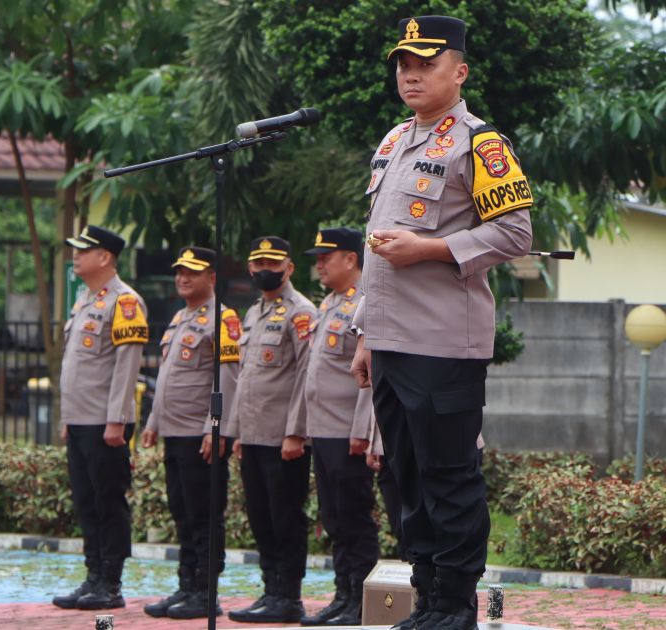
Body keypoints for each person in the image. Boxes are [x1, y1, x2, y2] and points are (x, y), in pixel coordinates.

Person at [353, 15, 534, 630]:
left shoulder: (479, 144)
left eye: (425, 64)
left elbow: (515, 233)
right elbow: (375, 247)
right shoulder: (392, 140)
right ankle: (426, 597)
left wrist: (429, 249)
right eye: (404, 64)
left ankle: (455, 605)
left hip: (442, 343)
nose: (411, 74)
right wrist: (362, 333)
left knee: (449, 476)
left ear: (458, 72)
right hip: (389, 339)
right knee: (405, 476)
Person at [140, 246, 241, 619]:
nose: (183, 278)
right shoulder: (180, 317)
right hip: (174, 432)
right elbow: (167, 378)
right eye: (180, 272)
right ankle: (186, 585)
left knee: (204, 515)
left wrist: (215, 429)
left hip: (201, 435)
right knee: (182, 512)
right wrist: (152, 422)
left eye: (192, 272)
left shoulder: (223, 319)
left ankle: (205, 590)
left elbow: (228, 378)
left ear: (211, 278)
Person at [53, 225, 148, 611]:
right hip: (81, 420)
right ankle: (92, 576)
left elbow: (127, 369)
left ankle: (110, 582)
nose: (76, 256)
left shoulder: (125, 302)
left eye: (83, 250)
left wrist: (118, 420)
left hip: (105, 424)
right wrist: (67, 419)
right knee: (86, 501)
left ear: (105, 257)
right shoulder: (85, 301)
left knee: (108, 501)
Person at [225, 236, 317, 624]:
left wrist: (296, 432)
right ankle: (270, 591)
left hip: (284, 439)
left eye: (274, 264)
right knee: (261, 518)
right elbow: (246, 378)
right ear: (250, 268)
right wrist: (238, 432)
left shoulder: (301, 311)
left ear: (289, 268)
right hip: (255, 435)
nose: (266, 270)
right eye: (259, 263)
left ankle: (289, 596)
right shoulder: (254, 311)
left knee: (285, 517)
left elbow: (305, 376)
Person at [299, 228, 380, 626]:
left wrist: (362, 431)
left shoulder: (364, 301)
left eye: (325, 257)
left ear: (350, 259)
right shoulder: (329, 303)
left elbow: (368, 374)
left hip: (348, 433)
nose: (319, 265)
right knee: (332, 517)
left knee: (353, 517)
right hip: (322, 431)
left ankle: (360, 600)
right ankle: (342, 593)